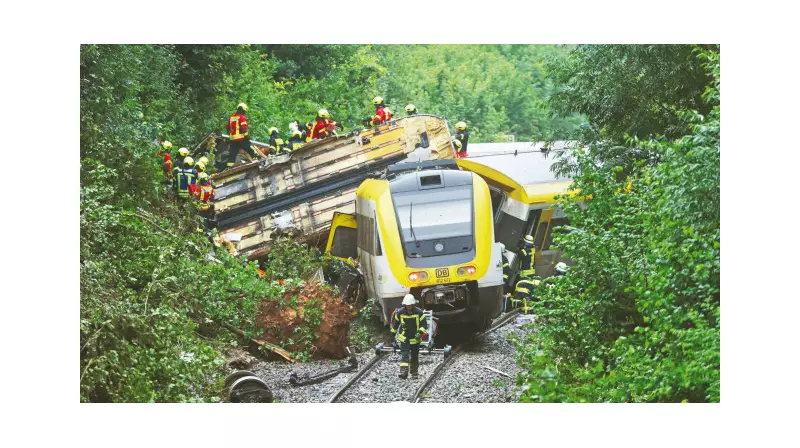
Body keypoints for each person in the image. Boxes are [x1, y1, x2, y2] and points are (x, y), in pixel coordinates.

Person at [390, 294, 428, 379]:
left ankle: (414, 372)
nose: (409, 307)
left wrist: (419, 333)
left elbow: (424, 325)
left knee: (415, 356)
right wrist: (392, 334)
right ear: (404, 305)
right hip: (404, 337)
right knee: (405, 355)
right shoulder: (400, 312)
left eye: (410, 305)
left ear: (413, 305)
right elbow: (395, 324)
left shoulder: (419, 312)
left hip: (415, 338)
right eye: (407, 306)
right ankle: (404, 372)